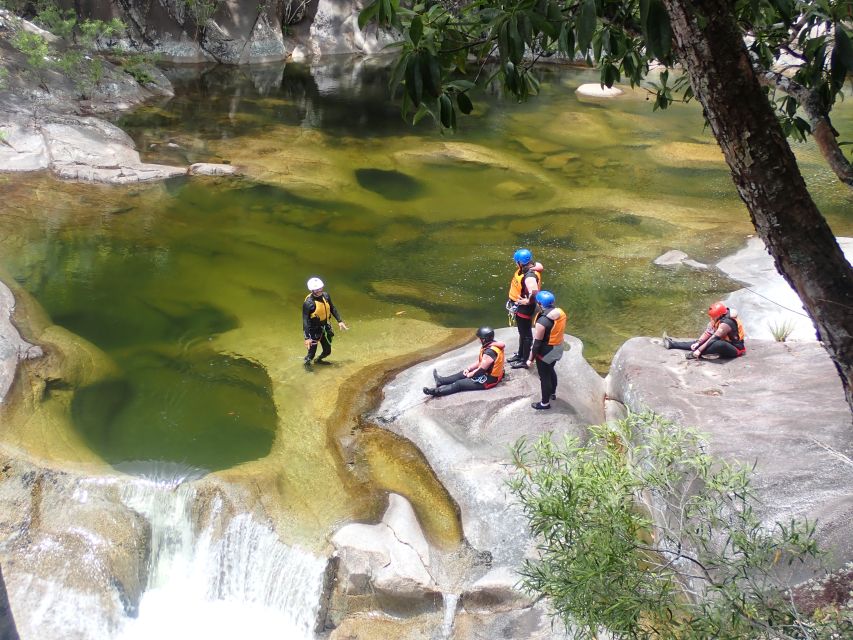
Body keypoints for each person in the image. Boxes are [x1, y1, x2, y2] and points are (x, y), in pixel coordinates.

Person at [423, 327, 506, 397]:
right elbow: (480, 361)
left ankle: (436, 392)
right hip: (486, 374)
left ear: (484, 339)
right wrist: (469, 368)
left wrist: (470, 374)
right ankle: (441, 381)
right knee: (463, 373)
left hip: (489, 380)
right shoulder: (491, 344)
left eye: (479, 338)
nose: (479, 339)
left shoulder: (489, 352)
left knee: (459, 384)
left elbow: (481, 371)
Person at [526, 290, 567, 410]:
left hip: (546, 352)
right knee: (551, 369)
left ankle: (545, 403)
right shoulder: (560, 312)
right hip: (558, 348)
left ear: (539, 304)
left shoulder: (542, 322)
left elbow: (537, 343)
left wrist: (530, 359)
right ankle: (552, 393)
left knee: (544, 376)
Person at [663, 301, 745, 360]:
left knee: (718, 344)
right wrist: (698, 342)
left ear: (720, 315)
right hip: (722, 340)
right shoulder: (717, 317)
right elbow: (708, 332)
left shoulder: (727, 323)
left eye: (713, 316)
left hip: (736, 349)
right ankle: (672, 344)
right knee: (701, 342)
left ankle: (696, 354)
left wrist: (699, 350)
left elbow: (714, 338)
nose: (712, 318)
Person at [506, 248, 543, 370]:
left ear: (520, 262)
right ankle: (520, 354)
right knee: (522, 332)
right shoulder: (528, 267)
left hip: (525, 308)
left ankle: (524, 359)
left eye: (516, 261)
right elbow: (540, 266)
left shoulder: (529, 276)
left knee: (526, 334)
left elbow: (535, 292)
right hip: (519, 306)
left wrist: (526, 301)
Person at [302, 277, 348, 366]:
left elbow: (332, 308)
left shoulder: (326, 296)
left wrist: (340, 321)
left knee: (327, 351)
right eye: (317, 289)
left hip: (325, 327)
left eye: (321, 288)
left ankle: (318, 360)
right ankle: (306, 366)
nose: (320, 290)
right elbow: (305, 321)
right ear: (312, 290)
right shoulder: (308, 303)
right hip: (313, 330)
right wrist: (307, 338)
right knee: (311, 355)